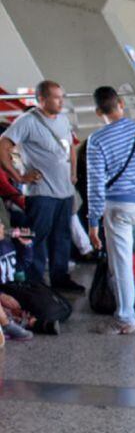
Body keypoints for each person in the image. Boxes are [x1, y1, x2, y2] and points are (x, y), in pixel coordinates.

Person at [85, 86, 135, 334]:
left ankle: (126, 319)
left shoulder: (97, 141)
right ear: (121, 103)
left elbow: (95, 184)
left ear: (99, 111)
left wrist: (93, 222)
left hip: (117, 206)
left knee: (121, 263)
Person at [0, 80, 84, 293]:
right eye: (56, 97)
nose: (61, 101)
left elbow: (70, 148)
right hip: (42, 193)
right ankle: (35, 281)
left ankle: (60, 276)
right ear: (42, 99)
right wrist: (19, 176)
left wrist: (73, 172)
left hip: (64, 192)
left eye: (61, 97)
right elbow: (4, 144)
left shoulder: (63, 120)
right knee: (38, 237)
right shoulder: (27, 121)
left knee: (62, 236)